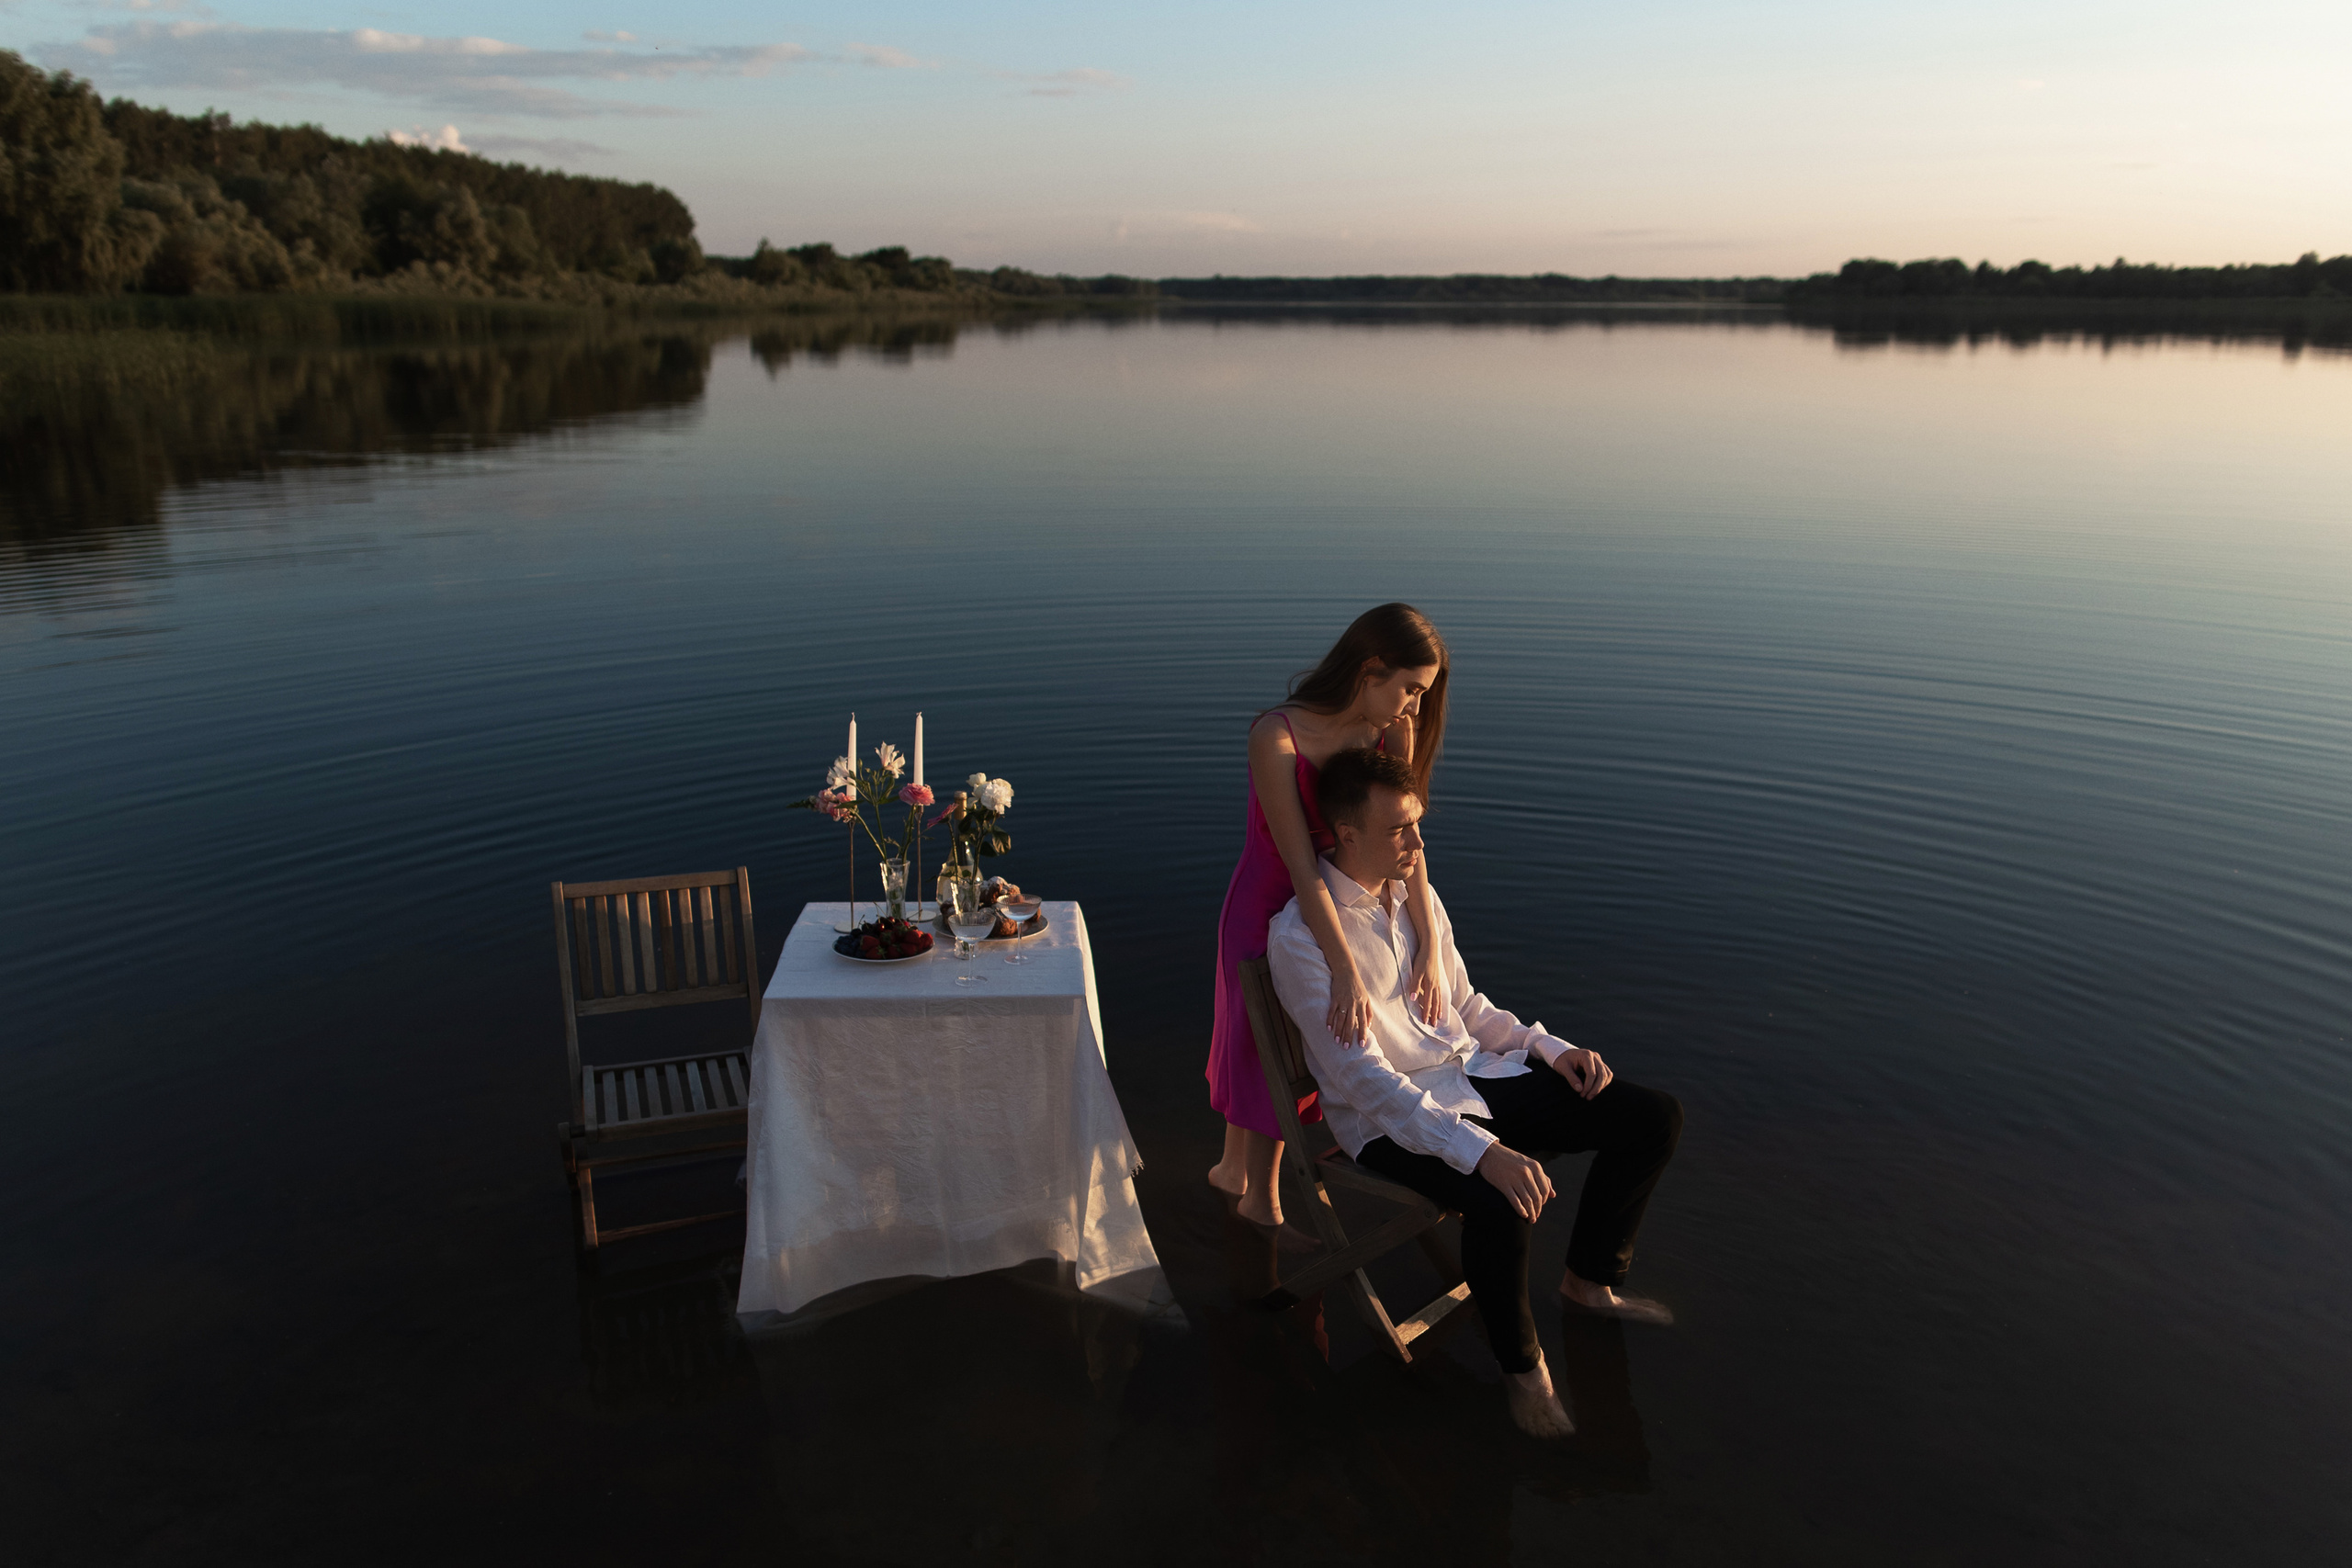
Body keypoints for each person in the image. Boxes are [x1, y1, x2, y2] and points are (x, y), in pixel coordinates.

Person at [1266, 747, 1682, 1438]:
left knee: (1651, 1118)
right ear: (1345, 833)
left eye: (1418, 824)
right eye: (1400, 828)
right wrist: (1480, 1151)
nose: (1418, 843)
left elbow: (1467, 1006)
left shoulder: (1418, 900)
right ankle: (1525, 1371)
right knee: (1499, 1197)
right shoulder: (1300, 938)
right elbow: (1363, 1082)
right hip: (1388, 1123)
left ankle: (1588, 1280)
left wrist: (1549, 1047)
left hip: (1478, 1077)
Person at [1205, 604, 1452, 1235]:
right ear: (1371, 669)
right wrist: (1343, 966)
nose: (1415, 710)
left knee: (1293, 1046)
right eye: (1410, 690)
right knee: (1265, 1050)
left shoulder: (1389, 730)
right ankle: (1262, 1204)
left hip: (1339, 903)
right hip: (1268, 908)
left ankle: (1233, 1173)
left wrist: (1426, 941)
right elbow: (1299, 863)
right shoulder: (1277, 737)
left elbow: (1409, 843)